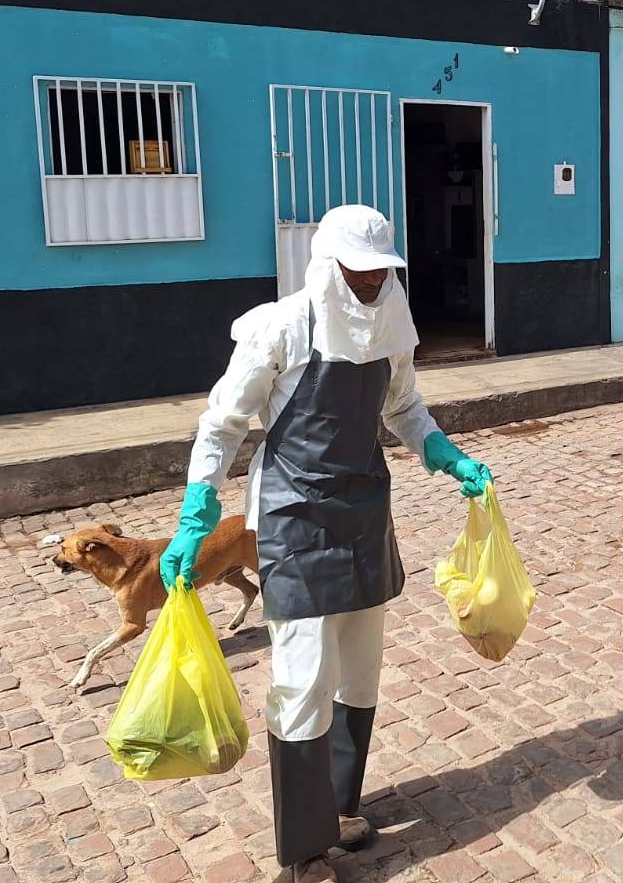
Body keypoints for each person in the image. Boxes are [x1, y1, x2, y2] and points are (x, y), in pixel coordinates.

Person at [158, 205, 493, 883]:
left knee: (360, 671)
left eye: (380, 273)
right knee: (302, 679)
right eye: (358, 272)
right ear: (329, 264)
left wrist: (442, 452)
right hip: (294, 520)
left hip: (364, 513)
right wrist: (198, 506)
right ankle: (302, 852)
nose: (370, 284)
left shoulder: (392, 325)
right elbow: (222, 424)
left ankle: (339, 806)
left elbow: (401, 406)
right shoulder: (280, 327)